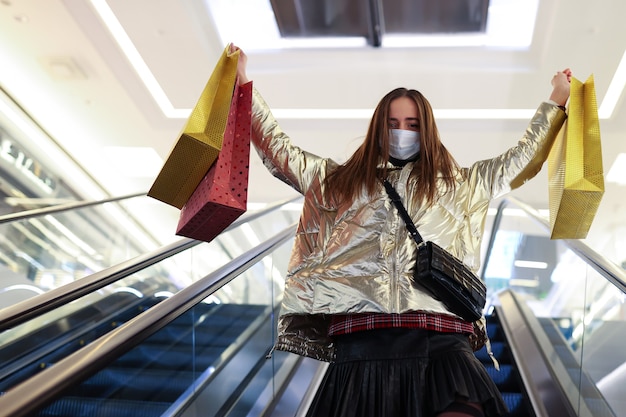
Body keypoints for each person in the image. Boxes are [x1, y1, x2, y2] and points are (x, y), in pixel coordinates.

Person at [231, 44, 571, 417]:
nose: (402, 132)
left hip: (440, 334)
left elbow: (521, 159)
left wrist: (556, 100)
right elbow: (279, 152)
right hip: (362, 339)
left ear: (426, 130)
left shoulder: (462, 184)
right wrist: (243, 82)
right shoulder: (338, 182)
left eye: (412, 125)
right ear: (378, 127)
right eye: (393, 124)